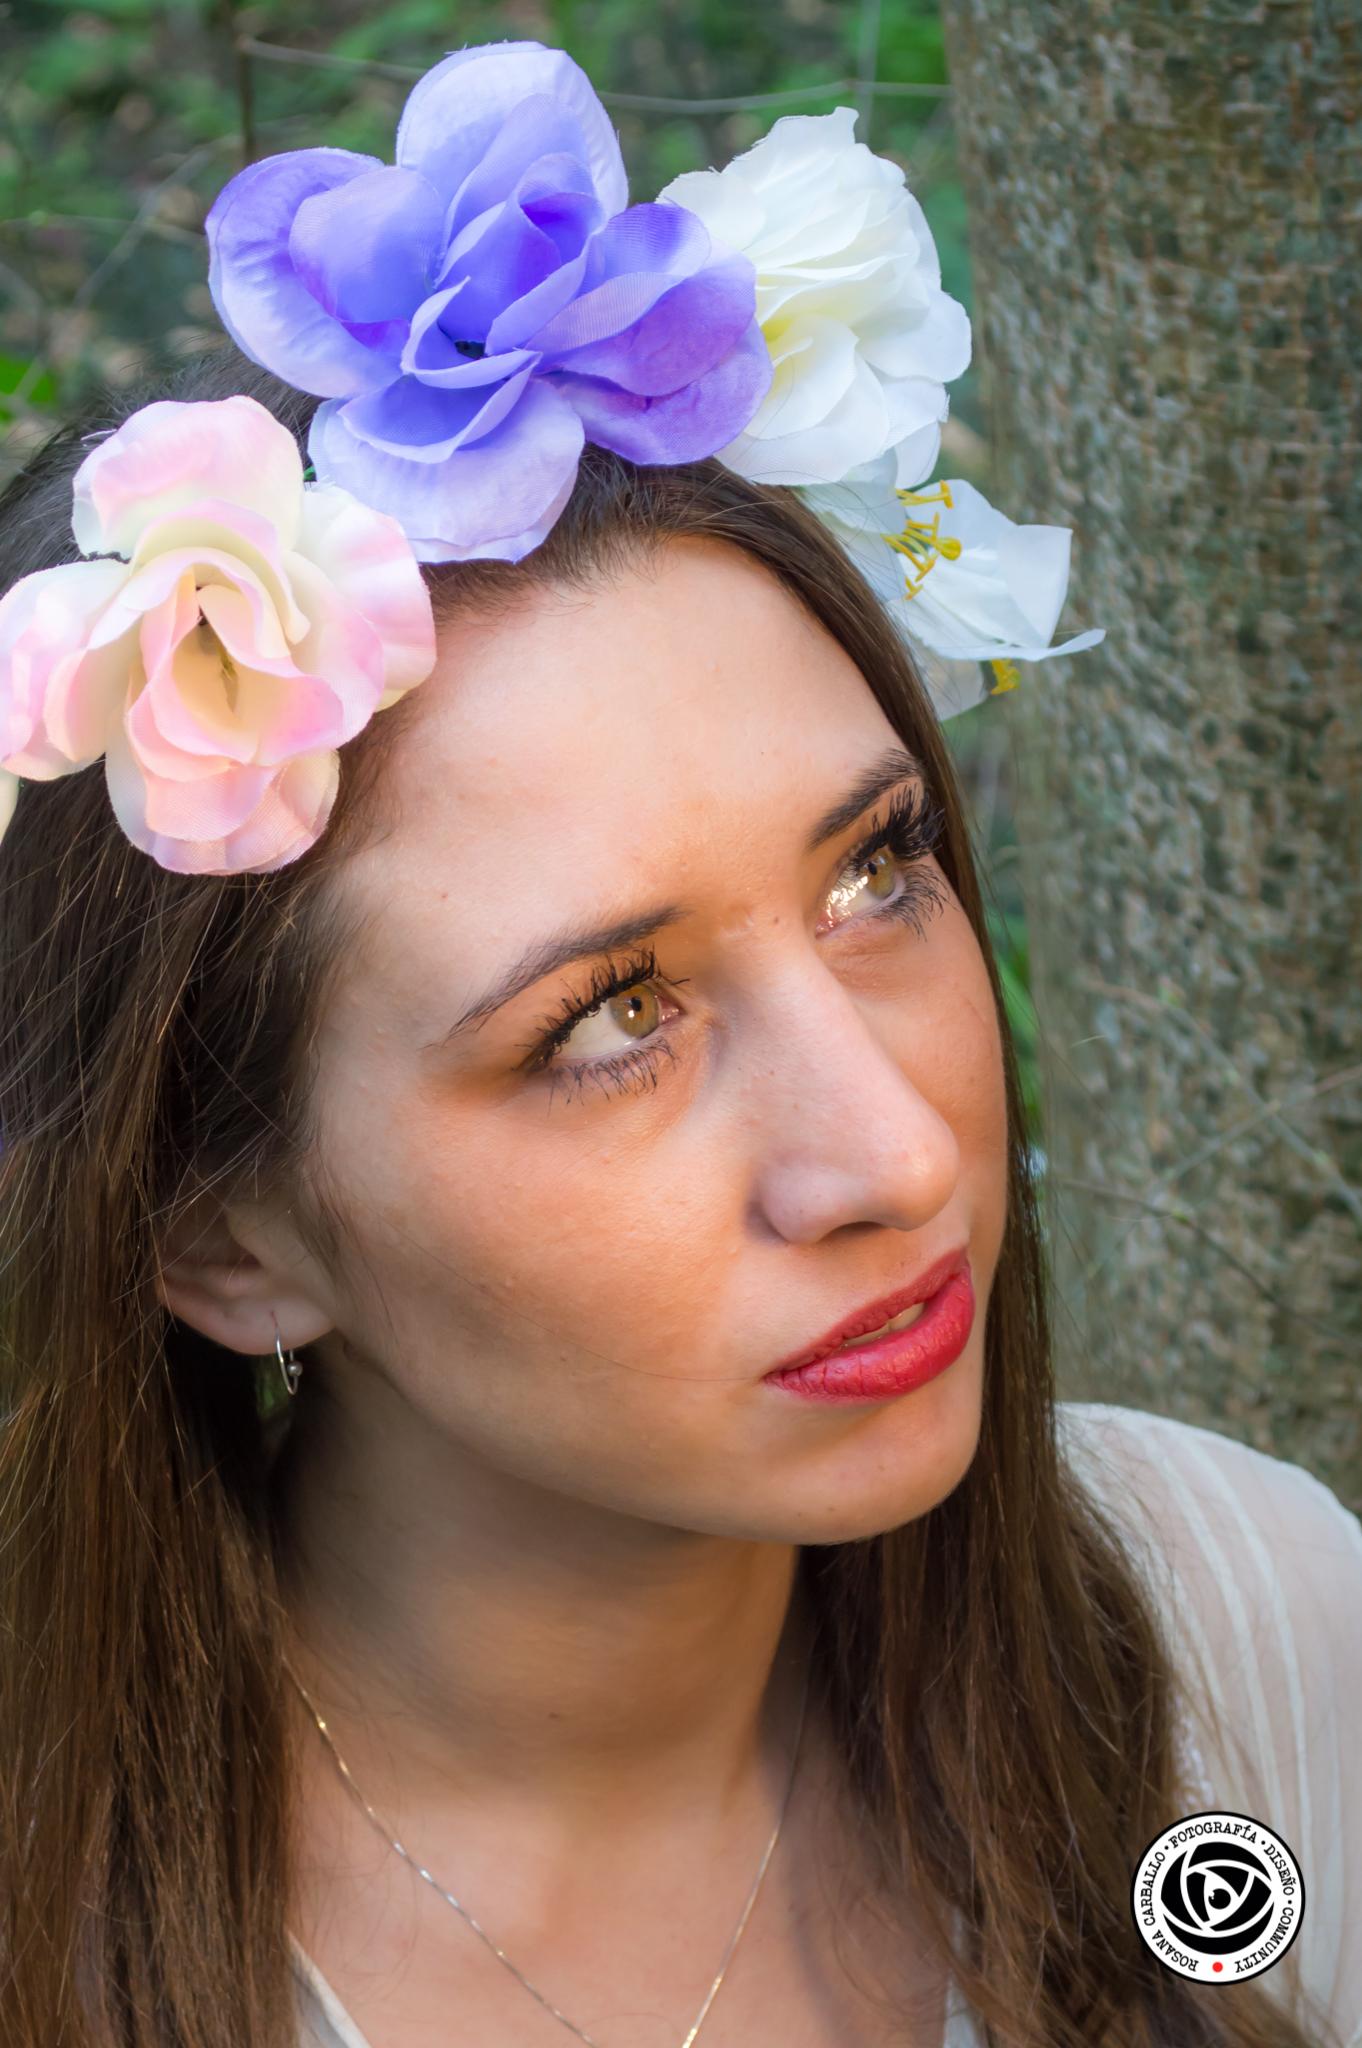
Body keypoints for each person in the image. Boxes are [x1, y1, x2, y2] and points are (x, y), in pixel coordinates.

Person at [1, 43, 1358, 2048]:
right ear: (222, 1235)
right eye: (615, 1017)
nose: (898, 1156)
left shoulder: (1245, 1637)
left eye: (877, 870)